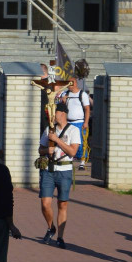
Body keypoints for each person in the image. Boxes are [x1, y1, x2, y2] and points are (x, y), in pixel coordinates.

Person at [37, 103, 80, 248]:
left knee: (62, 204)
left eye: (54, 112)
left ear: (62, 113)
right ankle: (51, 227)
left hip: (65, 170)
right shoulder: (48, 130)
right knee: (45, 204)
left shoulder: (74, 130)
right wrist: (46, 150)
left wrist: (56, 140)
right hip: (48, 169)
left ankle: (60, 237)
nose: (52, 115)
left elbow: (73, 152)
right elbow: (40, 149)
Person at [57, 75, 91, 170]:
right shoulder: (65, 94)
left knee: (81, 142)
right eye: (68, 84)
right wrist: (62, 101)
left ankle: (82, 161)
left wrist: (86, 122)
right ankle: (69, 160)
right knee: (68, 142)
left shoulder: (82, 94)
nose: (69, 86)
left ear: (75, 83)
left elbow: (87, 109)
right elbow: (59, 107)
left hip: (79, 122)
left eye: (71, 83)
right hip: (68, 122)